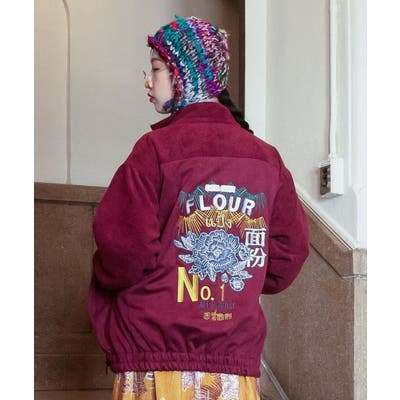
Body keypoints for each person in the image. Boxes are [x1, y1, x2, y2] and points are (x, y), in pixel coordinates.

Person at [87, 15, 309, 400]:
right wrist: (234, 282)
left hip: (155, 359)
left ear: (183, 73)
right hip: (231, 365)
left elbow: (123, 250)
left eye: (156, 68)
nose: (148, 81)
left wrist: (108, 284)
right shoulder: (267, 159)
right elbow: (288, 254)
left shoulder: (154, 151)